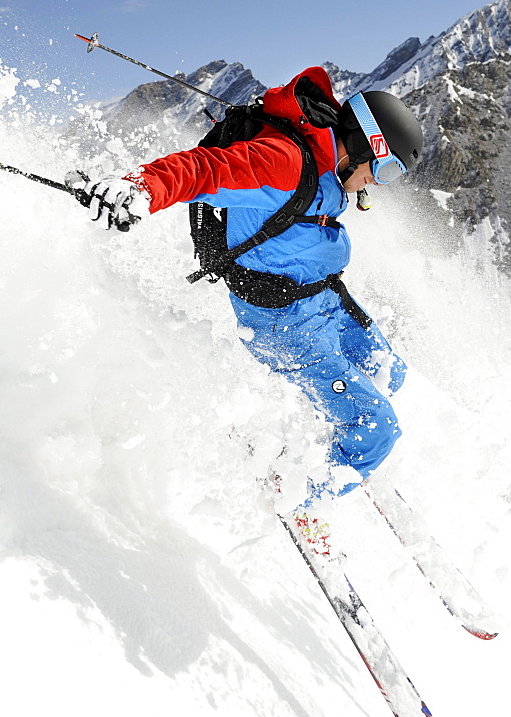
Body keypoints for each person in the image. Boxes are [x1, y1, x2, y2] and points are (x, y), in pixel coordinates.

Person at [72, 66, 423, 505]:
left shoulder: (323, 159)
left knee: (390, 372)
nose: (378, 183)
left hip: (323, 300)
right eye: (385, 170)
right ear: (363, 143)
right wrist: (140, 188)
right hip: (286, 325)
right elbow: (203, 171)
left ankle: (327, 428)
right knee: (379, 429)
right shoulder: (286, 161)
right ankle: (301, 498)